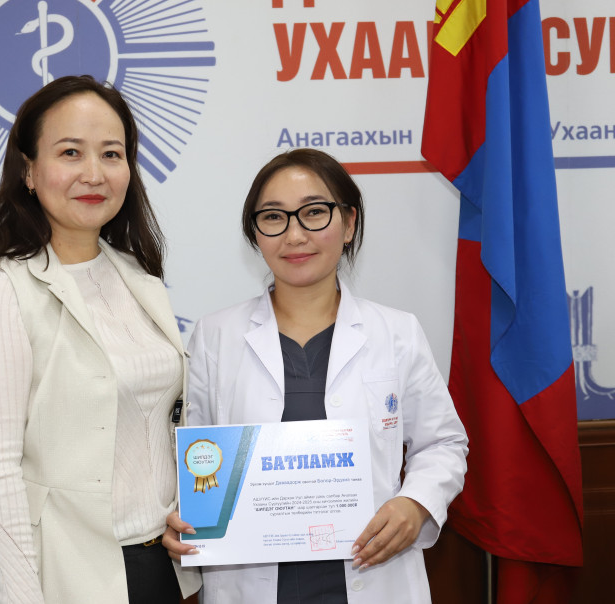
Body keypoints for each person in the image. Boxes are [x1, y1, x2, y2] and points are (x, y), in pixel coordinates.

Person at [163, 149, 468, 603]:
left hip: (374, 576)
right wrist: (182, 516)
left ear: (349, 223)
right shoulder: (216, 336)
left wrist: (416, 503)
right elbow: (193, 459)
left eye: (313, 213)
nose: (294, 235)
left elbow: (443, 443)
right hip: (250, 583)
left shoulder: (396, 332)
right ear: (255, 233)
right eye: (273, 217)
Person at [0, 75, 201, 604]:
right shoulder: (0, 288)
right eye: (70, 152)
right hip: (56, 579)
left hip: (157, 568)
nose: (94, 174)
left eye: (111, 154)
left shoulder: (139, 277)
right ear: (28, 170)